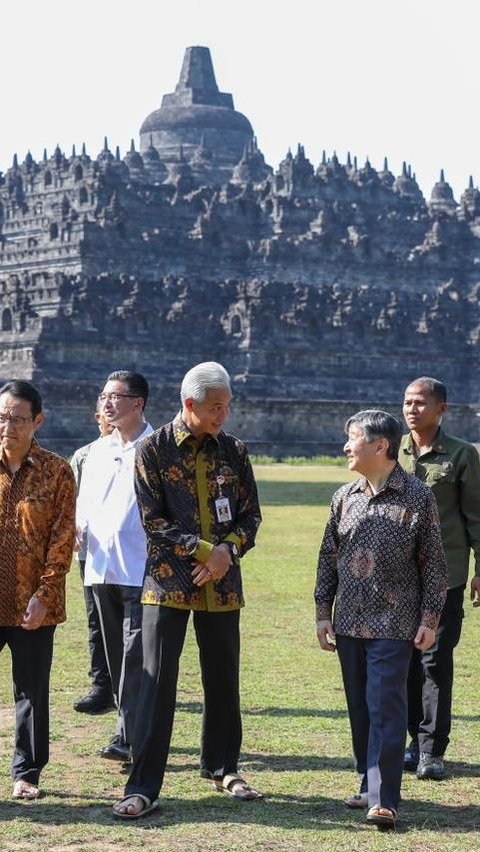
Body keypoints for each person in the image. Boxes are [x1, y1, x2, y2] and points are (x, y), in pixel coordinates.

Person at [113, 361, 262, 819]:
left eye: (228, 406)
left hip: (222, 583)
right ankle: (143, 785)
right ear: (189, 404)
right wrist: (204, 552)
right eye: (216, 407)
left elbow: (250, 516)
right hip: (167, 581)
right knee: (157, 685)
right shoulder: (153, 450)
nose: (224, 414)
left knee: (223, 678)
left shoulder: (234, 451)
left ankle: (223, 766)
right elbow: (153, 521)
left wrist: (226, 553)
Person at [315, 409, 447, 829]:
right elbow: (327, 558)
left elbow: (434, 566)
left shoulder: (417, 496)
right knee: (360, 708)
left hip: (396, 623)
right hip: (348, 622)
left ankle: (384, 798)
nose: (346, 446)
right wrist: (323, 612)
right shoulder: (344, 497)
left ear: (380, 446)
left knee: (385, 707)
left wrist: (429, 618)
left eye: (352, 438)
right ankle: (366, 782)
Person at [400, 377, 480, 780]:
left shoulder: (463, 456)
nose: (411, 409)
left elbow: (476, 518)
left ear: (441, 409)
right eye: (407, 402)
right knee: (407, 661)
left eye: (420, 403)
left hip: (445, 576)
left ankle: (432, 750)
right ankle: (413, 742)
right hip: (398, 577)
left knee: (434, 661)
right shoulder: (391, 449)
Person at [0, 379, 76, 799]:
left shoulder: (56, 471)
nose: (7, 426)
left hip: (34, 603)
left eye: (17, 419)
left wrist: (44, 595)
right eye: (1, 417)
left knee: (30, 690)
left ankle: (26, 773)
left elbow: (63, 540)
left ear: (38, 421)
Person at [76, 370, 153, 762]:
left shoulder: (157, 448)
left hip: (142, 569)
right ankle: (132, 732)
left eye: (115, 396)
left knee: (136, 654)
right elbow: (85, 505)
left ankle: (128, 738)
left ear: (137, 403)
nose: (106, 403)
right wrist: (77, 529)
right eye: (104, 395)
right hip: (101, 567)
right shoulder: (98, 450)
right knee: (117, 658)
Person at [70, 409, 115, 714]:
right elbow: (69, 501)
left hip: (131, 554)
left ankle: (131, 683)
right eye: (105, 413)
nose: (111, 420)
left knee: (133, 623)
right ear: (96, 417)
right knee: (97, 620)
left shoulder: (144, 451)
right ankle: (102, 685)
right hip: (92, 552)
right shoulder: (84, 457)